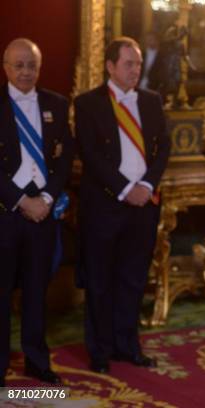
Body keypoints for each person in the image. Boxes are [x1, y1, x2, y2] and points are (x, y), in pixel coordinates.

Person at [74, 36, 170, 374]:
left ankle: (127, 345)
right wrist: (125, 188)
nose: (135, 69)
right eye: (129, 63)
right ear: (110, 66)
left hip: (144, 204)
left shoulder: (151, 100)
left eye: (139, 63)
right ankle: (99, 351)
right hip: (105, 204)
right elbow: (89, 154)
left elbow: (164, 148)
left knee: (133, 280)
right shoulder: (88, 103)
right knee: (100, 281)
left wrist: (145, 185)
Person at [0, 38, 74, 386]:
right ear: (6, 67)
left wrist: (46, 198)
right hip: (7, 212)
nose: (26, 71)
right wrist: (21, 200)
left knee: (36, 292)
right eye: (19, 65)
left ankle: (36, 360)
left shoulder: (56, 104)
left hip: (44, 211)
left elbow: (64, 160)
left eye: (31, 65)